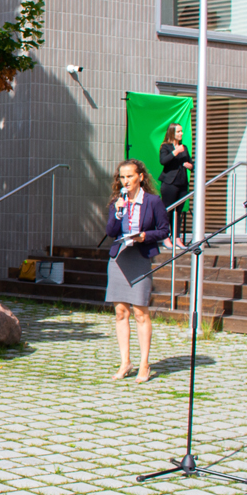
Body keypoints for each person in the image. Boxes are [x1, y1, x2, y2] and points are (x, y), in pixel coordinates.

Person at [104, 159, 169, 383]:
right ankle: (125, 362)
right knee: (120, 312)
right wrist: (118, 212)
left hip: (140, 257)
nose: (126, 181)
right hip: (119, 258)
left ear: (140, 177)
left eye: (130, 176)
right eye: (122, 177)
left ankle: (144, 363)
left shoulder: (153, 201)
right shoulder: (117, 202)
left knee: (140, 312)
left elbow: (164, 230)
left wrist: (144, 236)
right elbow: (110, 231)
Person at [158, 123, 192, 248]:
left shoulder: (184, 147)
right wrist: (176, 152)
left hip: (182, 183)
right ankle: (165, 237)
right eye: (178, 131)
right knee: (168, 210)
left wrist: (190, 166)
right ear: (172, 133)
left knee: (179, 211)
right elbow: (163, 161)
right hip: (170, 183)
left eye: (181, 131)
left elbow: (191, 163)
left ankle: (177, 238)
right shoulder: (165, 147)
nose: (181, 133)